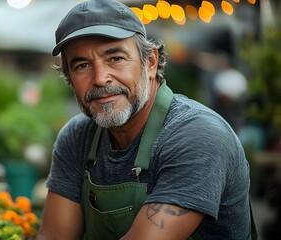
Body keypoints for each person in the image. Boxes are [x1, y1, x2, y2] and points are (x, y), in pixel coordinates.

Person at [37, 0, 256, 239]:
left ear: (150, 62)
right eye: (82, 65)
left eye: (116, 58)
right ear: (69, 76)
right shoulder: (78, 137)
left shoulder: (198, 136)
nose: (100, 78)